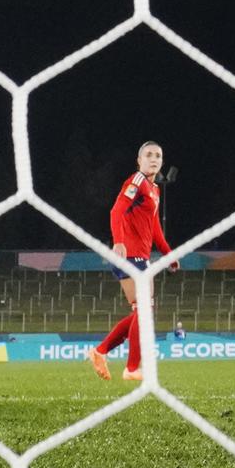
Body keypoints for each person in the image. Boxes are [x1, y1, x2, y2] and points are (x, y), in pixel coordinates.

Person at [89, 141, 176, 382]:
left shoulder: (154, 189)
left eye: (158, 155)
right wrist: (118, 241)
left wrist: (168, 253)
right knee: (144, 310)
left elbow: (154, 227)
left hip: (140, 256)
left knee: (142, 311)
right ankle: (131, 367)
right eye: (148, 155)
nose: (154, 159)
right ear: (139, 161)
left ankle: (101, 351)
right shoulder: (136, 181)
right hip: (128, 254)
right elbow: (116, 211)